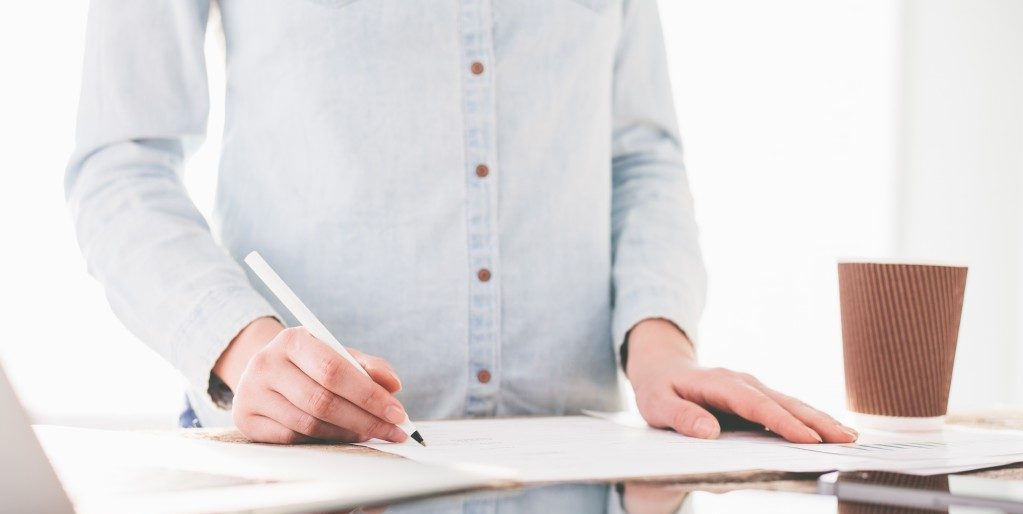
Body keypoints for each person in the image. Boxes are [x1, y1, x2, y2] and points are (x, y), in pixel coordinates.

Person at [66, 0, 856, 446]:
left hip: (576, 482)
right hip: (302, 479)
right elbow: (120, 160)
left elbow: (638, 153)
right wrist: (244, 348)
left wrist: (660, 347)